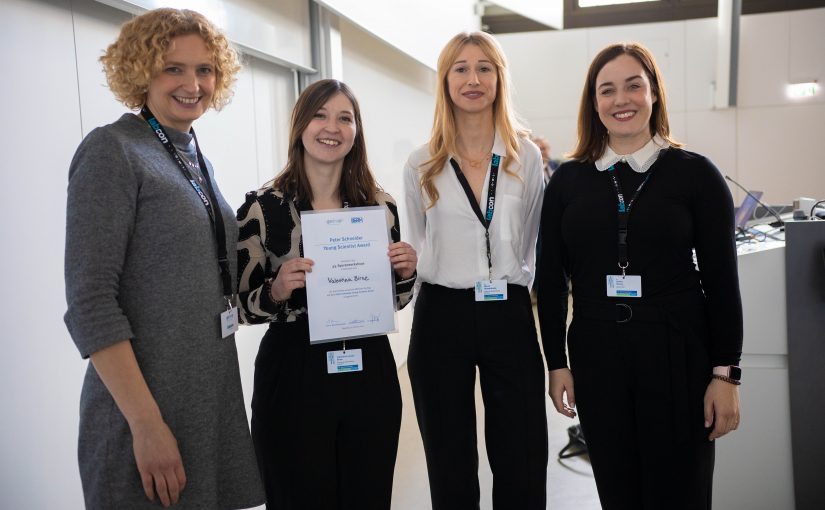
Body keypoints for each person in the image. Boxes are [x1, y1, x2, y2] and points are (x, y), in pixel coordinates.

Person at [64, 8, 264, 510]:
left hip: (206, 397)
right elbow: (90, 303)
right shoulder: (113, 151)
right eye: (173, 68)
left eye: (204, 70)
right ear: (141, 71)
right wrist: (146, 425)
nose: (192, 83)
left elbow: (199, 274)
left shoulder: (193, 153)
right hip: (145, 409)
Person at [536, 42, 743, 509]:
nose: (620, 99)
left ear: (654, 94)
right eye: (606, 90)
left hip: (678, 357)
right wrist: (557, 362)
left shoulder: (695, 174)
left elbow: (722, 283)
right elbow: (549, 281)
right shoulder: (568, 181)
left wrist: (726, 375)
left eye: (634, 85)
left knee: (681, 493)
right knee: (618, 491)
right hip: (597, 357)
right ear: (594, 103)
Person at [236, 78, 417, 510]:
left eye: (344, 118)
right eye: (319, 114)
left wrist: (406, 274)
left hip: (368, 366)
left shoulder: (379, 207)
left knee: (368, 495)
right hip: (292, 370)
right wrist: (277, 289)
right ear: (300, 124)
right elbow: (241, 307)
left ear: (356, 132)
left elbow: (393, 301)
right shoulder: (262, 208)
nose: (331, 127)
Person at [403, 32, 547, 509]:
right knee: (448, 455)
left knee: (521, 451)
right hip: (441, 311)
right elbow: (420, 241)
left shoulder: (525, 156)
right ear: (445, 81)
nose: (473, 78)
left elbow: (530, 239)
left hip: (506, 308)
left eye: (484, 67)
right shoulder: (421, 162)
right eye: (460, 68)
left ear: (499, 78)